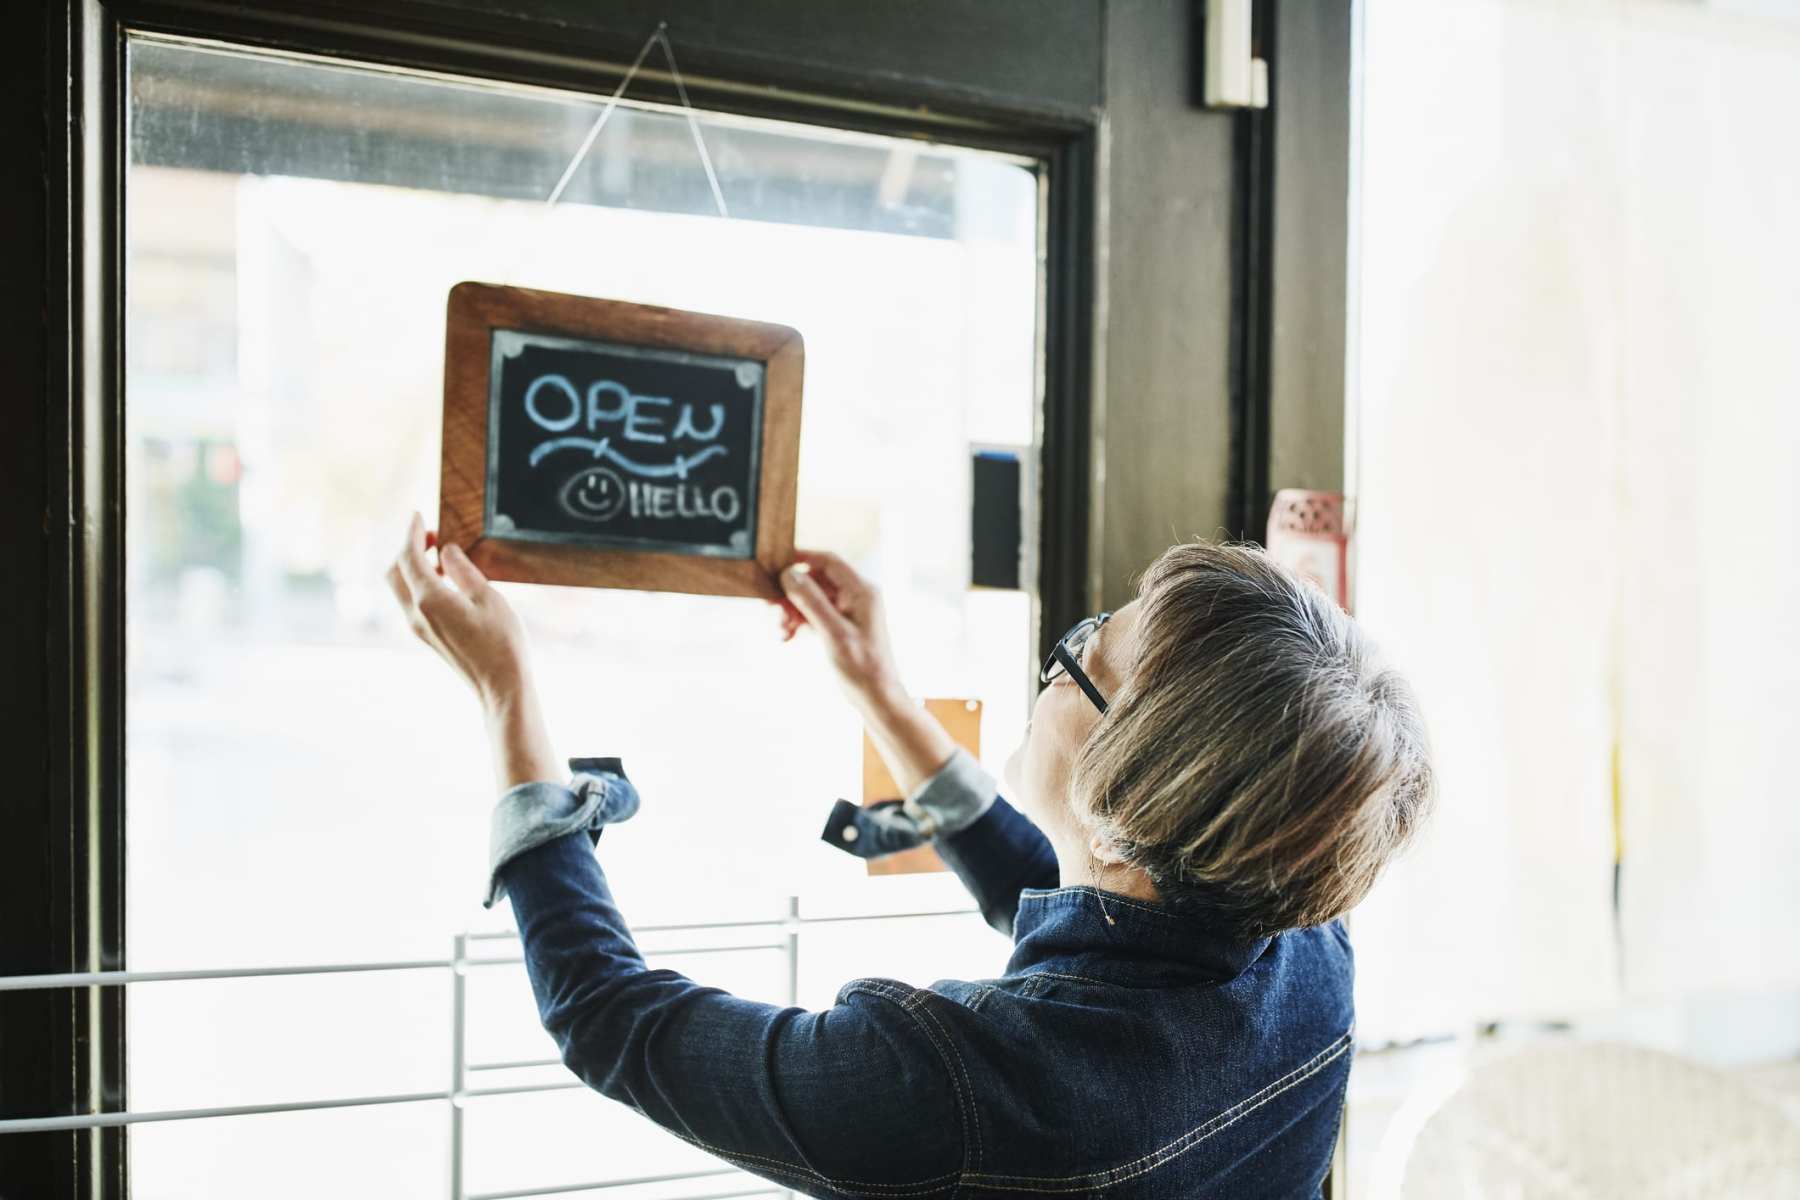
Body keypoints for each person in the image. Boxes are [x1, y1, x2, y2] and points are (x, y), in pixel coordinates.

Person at [387, 513, 1433, 1198]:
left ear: (1131, 796)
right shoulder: (1305, 942)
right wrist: (880, 691)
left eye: (1084, 655)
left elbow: (613, 1020)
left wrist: (505, 693)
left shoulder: (952, 1089)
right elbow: (1098, 909)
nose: (1054, 664)